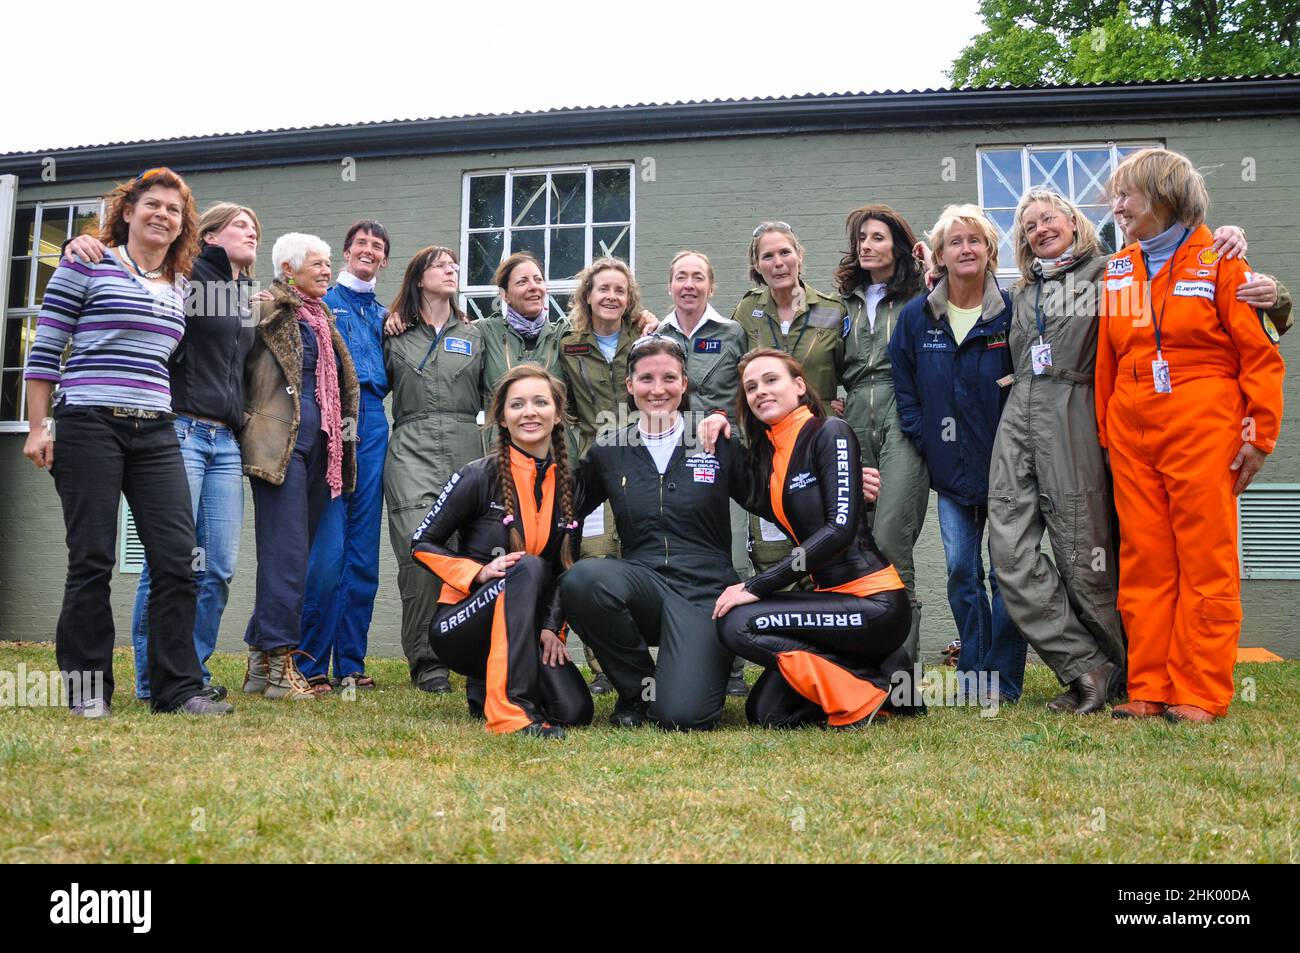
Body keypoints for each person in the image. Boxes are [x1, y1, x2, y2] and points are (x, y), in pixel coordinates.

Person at [988, 189, 1280, 714]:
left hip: (1086, 418)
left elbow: (1204, 289)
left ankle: (1135, 677)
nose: (1038, 229)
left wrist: (1256, 272)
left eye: (1048, 217)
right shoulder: (1022, 289)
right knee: (1010, 551)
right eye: (1027, 225)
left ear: (1075, 222)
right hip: (1028, 416)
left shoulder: (1111, 273)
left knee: (1090, 557)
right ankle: (1089, 664)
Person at [22, 167, 231, 717]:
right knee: (92, 558)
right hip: (89, 421)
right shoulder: (86, 261)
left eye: (175, 210)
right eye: (153, 204)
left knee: (177, 559)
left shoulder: (181, 285)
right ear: (129, 211)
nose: (163, 214)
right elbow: (46, 351)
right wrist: (39, 426)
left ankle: (177, 689)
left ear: (184, 225)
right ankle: (88, 691)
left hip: (157, 427)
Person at [1097, 148, 1286, 723]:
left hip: (1204, 418)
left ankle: (1200, 691)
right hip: (1131, 427)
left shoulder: (1222, 260)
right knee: (1145, 559)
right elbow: (1112, 356)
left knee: (1205, 558)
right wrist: (1109, 430)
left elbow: (1261, 355)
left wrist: (1259, 433)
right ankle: (1149, 688)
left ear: (1165, 194)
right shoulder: (1119, 268)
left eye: (1127, 194)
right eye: (1116, 195)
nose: (1117, 205)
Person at [64, 202, 260, 704]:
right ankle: (156, 679)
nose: (251, 232)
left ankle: (187, 674)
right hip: (181, 431)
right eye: (241, 224)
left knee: (215, 565)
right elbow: (136, 271)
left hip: (226, 442)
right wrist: (77, 246)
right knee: (170, 559)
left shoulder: (244, 297)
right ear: (210, 235)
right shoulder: (189, 276)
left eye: (256, 227)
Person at [709, 349, 916, 728]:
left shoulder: (830, 431)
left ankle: (870, 686)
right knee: (768, 713)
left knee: (738, 624)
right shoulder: (771, 460)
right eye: (751, 387)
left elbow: (839, 530)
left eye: (771, 380)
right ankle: (887, 673)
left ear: (800, 386)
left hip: (874, 603)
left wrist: (757, 585)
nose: (760, 392)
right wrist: (717, 420)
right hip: (829, 604)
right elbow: (739, 482)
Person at [560, 335, 752, 730]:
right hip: (643, 583)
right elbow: (565, 513)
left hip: (704, 594)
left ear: (684, 384)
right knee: (583, 579)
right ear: (630, 386)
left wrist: (847, 486)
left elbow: (772, 496)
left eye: (669, 378)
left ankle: (672, 687)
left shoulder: (714, 439)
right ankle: (637, 689)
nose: (658, 389)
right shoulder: (610, 448)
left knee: (683, 717)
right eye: (646, 379)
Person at [891, 204, 1028, 703]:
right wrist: (922, 434)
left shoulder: (1012, 311)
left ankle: (1004, 679)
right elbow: (902, 384)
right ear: (941, 254)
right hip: (950, 471)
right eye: (955, 241)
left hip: (1010, 469)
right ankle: (974, 676)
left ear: (990, 250)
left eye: (975, 240)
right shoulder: (917, 315)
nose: (965, 249)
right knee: (961, 573)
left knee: (1007, 574)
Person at [411, 365, 592, 737]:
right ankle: (510, 715)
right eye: (517, 405)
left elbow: (565, 568)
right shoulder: (478, 475)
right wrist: (475, 573)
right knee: (527, 567)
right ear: (502, 418)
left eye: (540, 402)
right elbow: (421, 543)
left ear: (557, 414)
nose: (529, 412)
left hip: (525, 628)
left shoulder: (571, 487)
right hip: (459, 626)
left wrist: (550, 629)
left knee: (573, 710)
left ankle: (485, 686)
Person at [240, 233, 359, 701]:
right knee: (286, 557)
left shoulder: (322, 317)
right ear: (288, 269)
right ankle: (278, 668)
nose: (328, 270)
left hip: (324, 451)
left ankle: (257, 663)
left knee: (300, 559)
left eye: (330, 262)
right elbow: (232, 366)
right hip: (279, 448)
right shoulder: (265, 308)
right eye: (318, 263)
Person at [384, 246, 485, 694]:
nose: (452, 271)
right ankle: (427, 662)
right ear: (418, 277)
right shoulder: (392, 333)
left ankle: (471, 652)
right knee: (419, 552)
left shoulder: (476, 334)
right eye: (441, 265)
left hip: (467, 445)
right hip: (411, 447)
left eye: (454, 266)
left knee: (470, 551)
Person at [835, 205, 931, 664]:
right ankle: (861, 662)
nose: (867, 246)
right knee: (857, 539)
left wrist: (933, 266)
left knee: (892, 538)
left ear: (897, 244)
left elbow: (962, 304)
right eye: (861, 240)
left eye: (877, 238)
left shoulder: (920, 295)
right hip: (854, 411)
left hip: (903, 410)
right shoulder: (844, 304)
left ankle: (901, 669)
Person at [299, 220, 391, 693]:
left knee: (362, 552)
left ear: (385, 259)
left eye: (377, 247)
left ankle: (350, 663)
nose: (369, 251)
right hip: (332, 416)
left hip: (373, 421)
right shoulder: (321, 304)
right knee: (328, 551)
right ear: (346, 251)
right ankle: (309, 664)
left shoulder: (387, 316)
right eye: (361, 244)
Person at [655, 250, 752, 696]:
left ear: (711, 286)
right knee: (689, 557)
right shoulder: (657, 335)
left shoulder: (732, 333)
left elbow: (749, 393)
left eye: (697, 277)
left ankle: (732, 666)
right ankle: (689, 658)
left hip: (723, 455)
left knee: (727, 558)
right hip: (673, 458)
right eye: (680, 277)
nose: (689, 285)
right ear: (670, 285)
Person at [731, 222, 847, 576]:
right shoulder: (746, 311)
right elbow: (733, 369)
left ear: (799, 257)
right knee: (771, 540)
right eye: (768, 256)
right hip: (766, 444)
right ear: (758, 266)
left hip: (817, 440)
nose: (778, 262)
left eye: (785, 252)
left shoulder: (833, 310)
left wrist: (833, 402)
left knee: (821, 530)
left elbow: (852, 370)